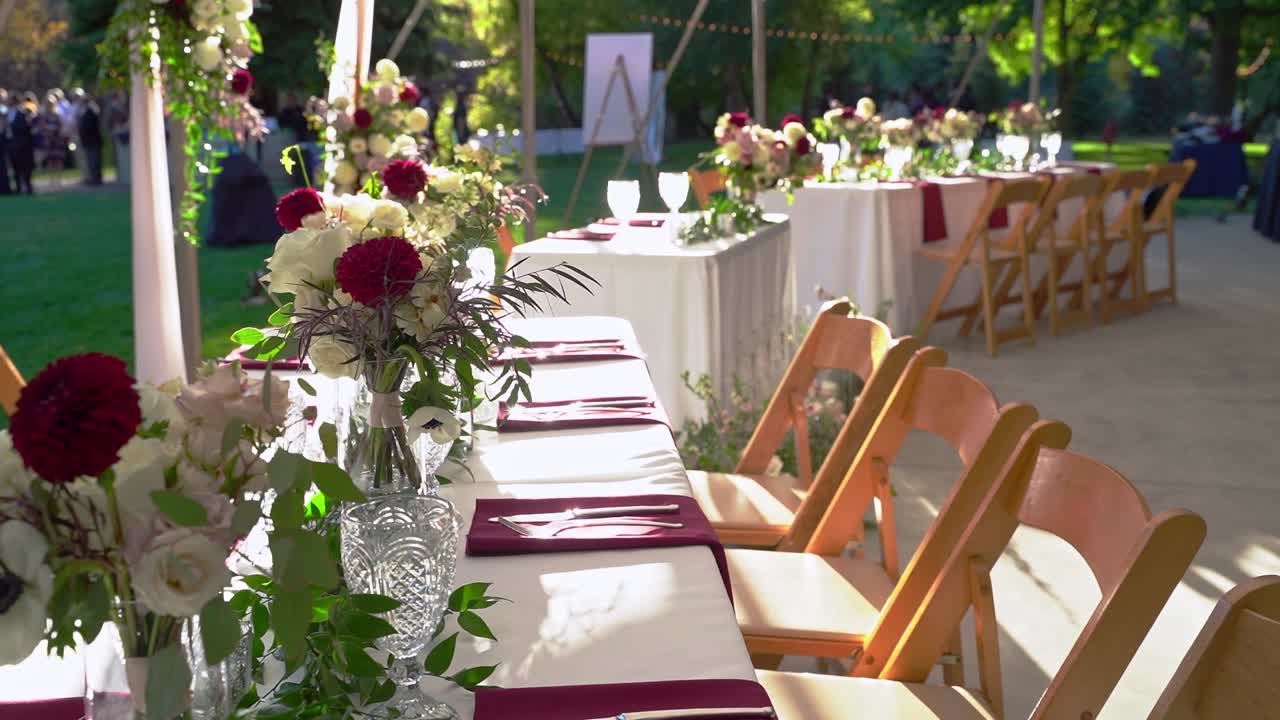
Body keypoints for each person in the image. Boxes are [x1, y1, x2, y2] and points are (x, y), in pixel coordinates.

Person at [8, 93, 37, 194]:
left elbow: (28, 128)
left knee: (26, 168)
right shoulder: (7, 112)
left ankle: (28, 187)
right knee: (15, 168)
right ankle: (18, 188)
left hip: (24, 145)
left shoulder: (23, 112)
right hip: (12, 145)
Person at [77, 95, 103, 185]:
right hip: (87, 141)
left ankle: (96, 179)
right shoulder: (85, 111)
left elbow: (89, 126)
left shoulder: (92, 110)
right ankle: (93, 178)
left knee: (94, 160)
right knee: (90, 160)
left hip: (93, 140)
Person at [0, 89, 12, 194]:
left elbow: (6, 126)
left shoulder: (3, 109)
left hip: (3, 139)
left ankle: (5, 188)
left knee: (4, 165)